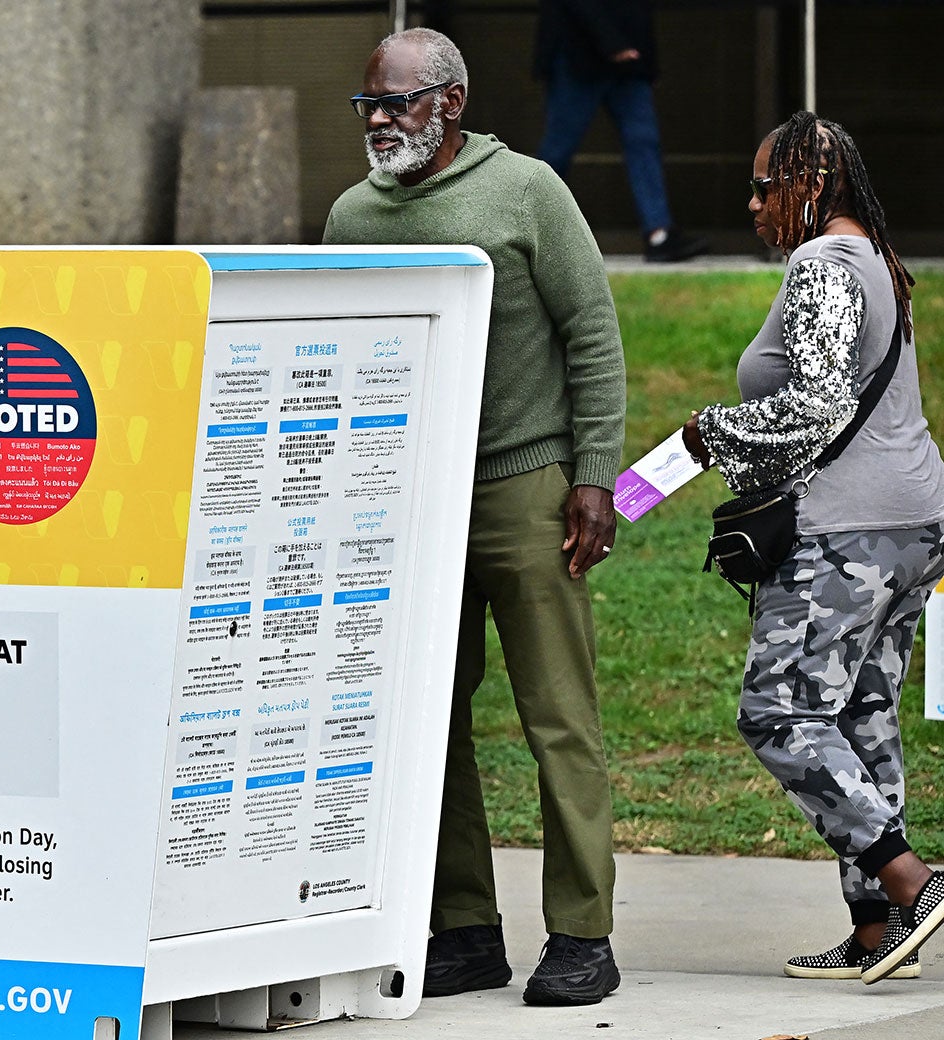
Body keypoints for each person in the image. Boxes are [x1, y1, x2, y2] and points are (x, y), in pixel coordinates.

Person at [324, 27, 626, 1006]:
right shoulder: (352, 217)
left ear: (450, 101)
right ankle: (463, 926)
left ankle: (582, 933)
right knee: (427, 721)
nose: (379, 121)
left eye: (397, 103)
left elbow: (592, 332)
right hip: (411, 499)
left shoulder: (527, 190)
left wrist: (594, 476)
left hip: (524, 487)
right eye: (368, 105)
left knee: (558, 718)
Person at [683, 111, 944, 984]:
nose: (754, 203)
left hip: (848, 532)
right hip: (912, 523)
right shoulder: (877, 259)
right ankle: (879, 931)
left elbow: (813, 408)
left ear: (811, 184)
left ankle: (914, 884)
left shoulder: (824, 265)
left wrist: (709, 434)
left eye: (766, 186)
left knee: (778, 711)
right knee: (860, 715)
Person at [534, 0, 709, 263]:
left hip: (628, 61)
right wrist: (612, 44)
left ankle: (659, 234)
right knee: (557, 151)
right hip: (577, 54)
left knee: (644, 143)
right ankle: (523, 228)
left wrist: (647, 63)